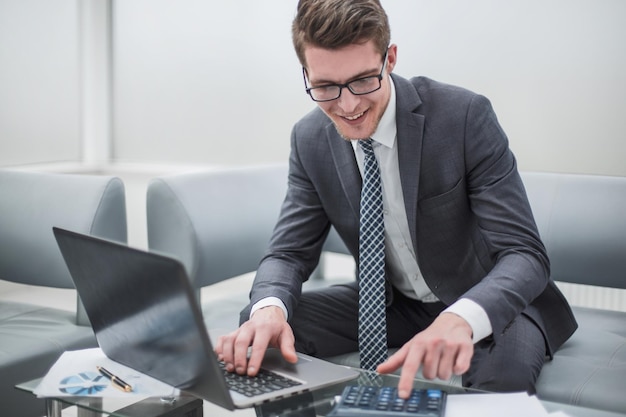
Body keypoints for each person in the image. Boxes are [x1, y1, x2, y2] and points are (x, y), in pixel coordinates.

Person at [215, 0, 577, 398]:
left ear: (390, 59)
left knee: (502, 381)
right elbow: (288, 253)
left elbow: (525, 254)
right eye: (325, 87)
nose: (348, 105)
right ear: (305, 74)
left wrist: (461, 318)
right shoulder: (309, 139)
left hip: (489, 300)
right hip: (395, 304)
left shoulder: (464, 116)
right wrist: (268, 309)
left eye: (363, 80)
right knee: (262, 335)